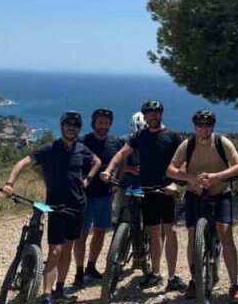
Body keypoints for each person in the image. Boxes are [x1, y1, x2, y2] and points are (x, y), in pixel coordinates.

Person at [2, 111, 100, 304]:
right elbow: (22, 163)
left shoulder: (82, 149)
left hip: (77, 206)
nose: (71, 128)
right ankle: (46, 296)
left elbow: (97, 162)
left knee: (68, 249)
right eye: (67, 124)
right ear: (62, 126)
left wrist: (88, 180)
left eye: (75, 125)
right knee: (54, 251)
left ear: (79, 129)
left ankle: (59, 290)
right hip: (56, 207)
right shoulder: (50, 148)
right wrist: (10, 183)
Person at [101, 100, 187, 292]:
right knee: (154, 234)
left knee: (170, 232)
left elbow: (184, 162)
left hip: (166, 191)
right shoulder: (140, 136)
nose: (152, 116)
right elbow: (122, 154)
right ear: (145, 116)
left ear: (161, 114)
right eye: (149, 113)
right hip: (147, 192)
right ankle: (156, 274)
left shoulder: (172, 136)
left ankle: (172, 276)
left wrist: (176, 183)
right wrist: (108, 170)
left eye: (156, 112)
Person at [167, 109, 238, 304]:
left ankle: (234, 284)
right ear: (195, 126)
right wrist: (190, 178)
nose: (203, 128)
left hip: (220, 193)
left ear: (213, 126)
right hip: (195, 194)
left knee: (225, 234)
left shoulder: (222, 142)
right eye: (200, 125)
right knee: (192, 235)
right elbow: (170, 170)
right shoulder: (188, 144)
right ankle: (194, 280)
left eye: (207, 125)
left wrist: (216, 177)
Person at [72, 108, 124, 288]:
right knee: (82, 235)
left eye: (107, 123)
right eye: (100, 122)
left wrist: (118, 179)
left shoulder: (115, 142)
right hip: (84, 196)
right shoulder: (82, 141)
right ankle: (78, 272)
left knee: (100, 231)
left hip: (105, 195)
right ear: (94, 123)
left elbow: (122, 160)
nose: (103, 126)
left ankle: (91, 267)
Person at [112, 111, 145, 222]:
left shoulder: (152, 142)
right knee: (122, 217)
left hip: (143, 186)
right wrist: (130, 169)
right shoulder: (122, 141)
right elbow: (114, 163)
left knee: (145, 218)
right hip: (125, 185)